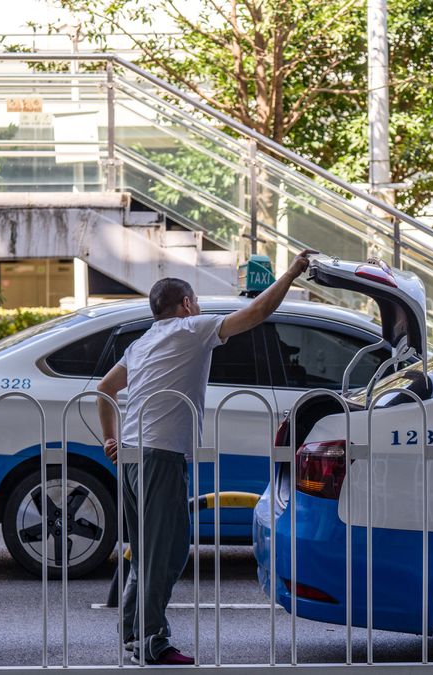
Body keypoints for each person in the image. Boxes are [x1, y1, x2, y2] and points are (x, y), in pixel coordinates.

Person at [95, 249, 316, 665]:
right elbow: (257, 312)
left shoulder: (142, 343)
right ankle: (152, 642)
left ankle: (134, 635)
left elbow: (105, 390)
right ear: (186, 304)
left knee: (147, 553)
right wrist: (292, 271)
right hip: (159, 456)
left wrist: (111, 440)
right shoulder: (192, 328)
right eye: (193, 301)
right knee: (167, 552)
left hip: (131, 456)